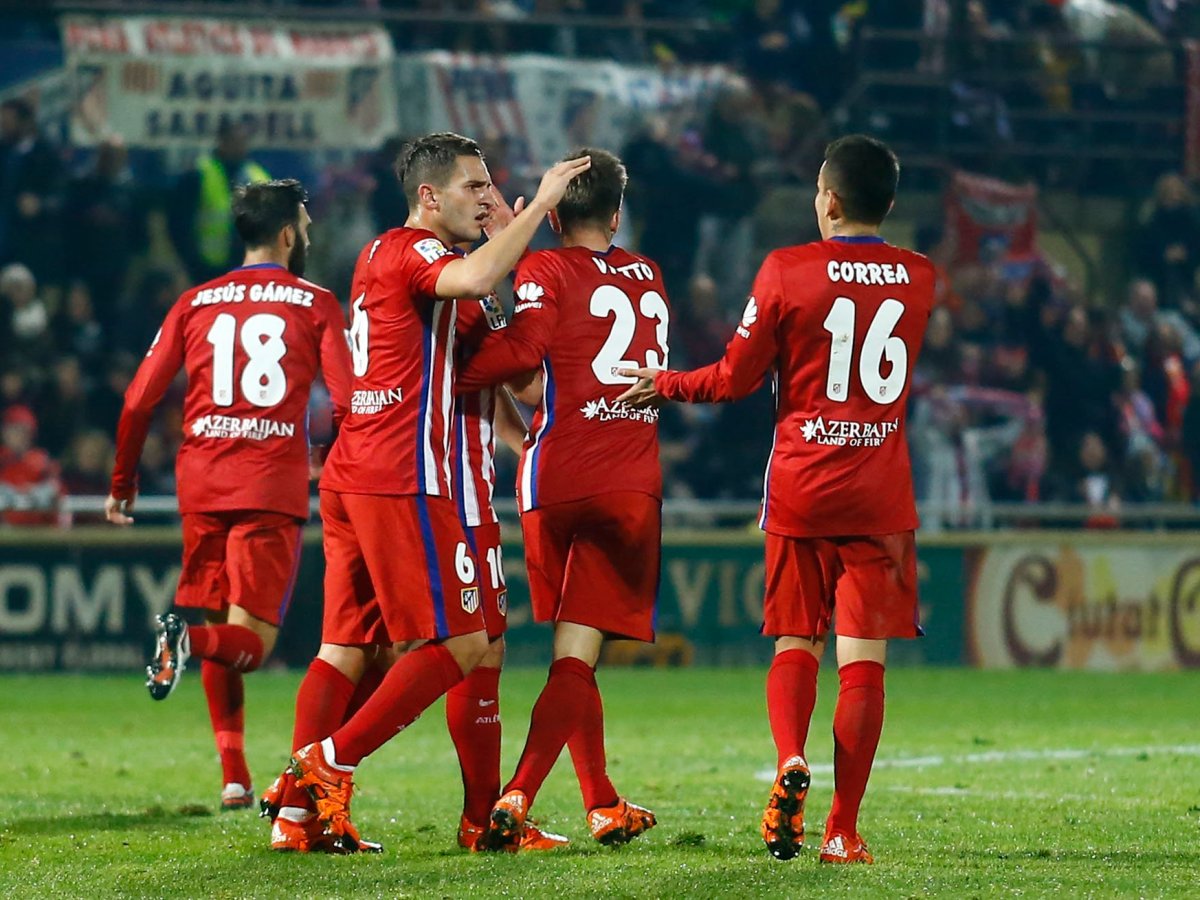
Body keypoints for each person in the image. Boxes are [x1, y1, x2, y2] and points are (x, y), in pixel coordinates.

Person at [619, 135, 935, 864]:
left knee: (798, 640)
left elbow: (732, 379)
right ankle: (842, 830)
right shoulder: (919, 277)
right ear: (886, 203)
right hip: (880, 493)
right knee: (864, 664)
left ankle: (791, 756)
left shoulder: (788, 270)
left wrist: (665, 382)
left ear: (826, 199)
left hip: (801, 485)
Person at [281, 133, 590, 854]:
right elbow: (478, 284)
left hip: (370, 469)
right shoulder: (412, 251)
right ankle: (327, 766)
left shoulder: (417, 264)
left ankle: (299, 818)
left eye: (491, 189)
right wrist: (539, 206)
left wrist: (525, 440)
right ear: (429, 196)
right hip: (405, 473)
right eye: (474, 187)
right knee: (463, 644)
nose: (487, 198)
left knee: (350, 647)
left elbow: (509, 370)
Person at [105, 179, 353, 812]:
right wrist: (334, 459)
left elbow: (138, 398)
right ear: (289, 234)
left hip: (201, 478)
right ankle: (182, 642)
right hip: (268, 481)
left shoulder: (196, 300)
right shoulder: (315, 301)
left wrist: (123, 484)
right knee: (251, 643)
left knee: (218, 618)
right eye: (306, 224)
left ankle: (234, 777)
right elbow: (349, 399)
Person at [455, 147, 664, 853]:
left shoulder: (543, 269)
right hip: (626, 481)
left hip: (552, 479)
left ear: (553, 218)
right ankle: (519, 794)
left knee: (576, 649)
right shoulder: (651, 276)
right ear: (615, 214)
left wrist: (463, 357)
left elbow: (529, 370)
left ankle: (602, 802)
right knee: (579, 654)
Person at [168, 121, 270, 285]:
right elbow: (178, 224)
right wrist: (190, 262)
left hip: (248, 270)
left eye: (242, 141)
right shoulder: (199, 173)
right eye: (234, 141)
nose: (239, 146)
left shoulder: (259, 177)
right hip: (206, 269)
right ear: (222, 142)